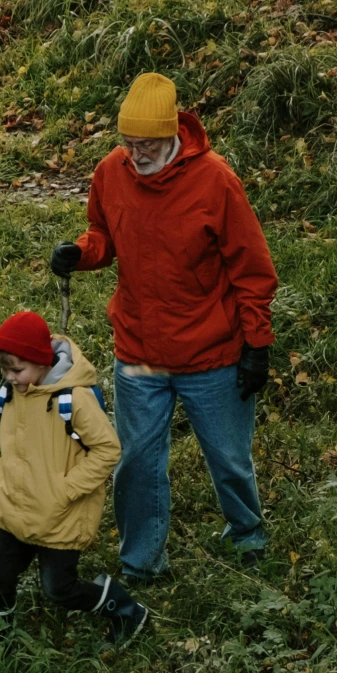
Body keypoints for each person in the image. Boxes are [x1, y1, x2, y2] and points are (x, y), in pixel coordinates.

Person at [51, 71, 278, 582]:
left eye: (147, 144)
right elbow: (103, 234)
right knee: (137, 464)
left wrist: (256, 345)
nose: (136, 154)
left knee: (228, 458)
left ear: (173, 132)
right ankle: (141, 564)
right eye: (129, 144)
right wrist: (80, 253)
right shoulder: (111, 171)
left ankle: (248, 535)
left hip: (212, 353)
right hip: (139, 350)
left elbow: (253, 270)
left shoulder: (216, 180)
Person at [0, 309, 150, 645]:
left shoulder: (75, 399)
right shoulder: (15, 392)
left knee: (59, 588)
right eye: (4, 369)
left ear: (42, 362)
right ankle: (0, 645)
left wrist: (65, 489)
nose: (10, 377)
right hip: (16, 509)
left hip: (60, 514)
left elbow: (107, 449)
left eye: (17, 369)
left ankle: (126, 610)